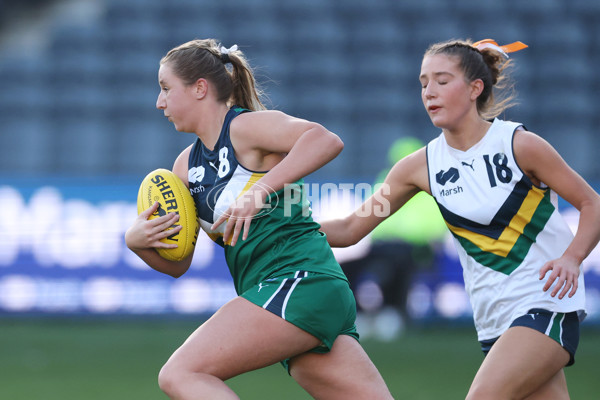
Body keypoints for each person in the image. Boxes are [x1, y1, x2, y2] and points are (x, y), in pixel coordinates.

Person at [319, 38, 600, 399]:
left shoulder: (519, 144)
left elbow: (592, 204)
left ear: (474, 88)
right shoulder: (417, 166)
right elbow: (350, 228)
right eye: (423, 83)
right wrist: (277, 226)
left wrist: (572, 259)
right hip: (492, 318)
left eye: (442, 80)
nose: (429, 92)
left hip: (542, 302)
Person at [124, 38, 393, 400]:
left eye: (165, 88)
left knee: (181, 373)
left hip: (299, 280)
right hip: (292, 292)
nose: (159, 102)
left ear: (200, 88)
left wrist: (259, 190)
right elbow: (179, 264)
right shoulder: (185, 167)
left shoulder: (244, 128)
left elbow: (325, 139)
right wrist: (138, 243)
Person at [340, 137, 447, 340]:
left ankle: (392, 312)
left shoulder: (430, 186)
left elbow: (433, 229)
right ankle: (361, 314)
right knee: (347, 268)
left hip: (413, 249)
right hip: (383, 246)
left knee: (394, 266)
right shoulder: (385, 181)